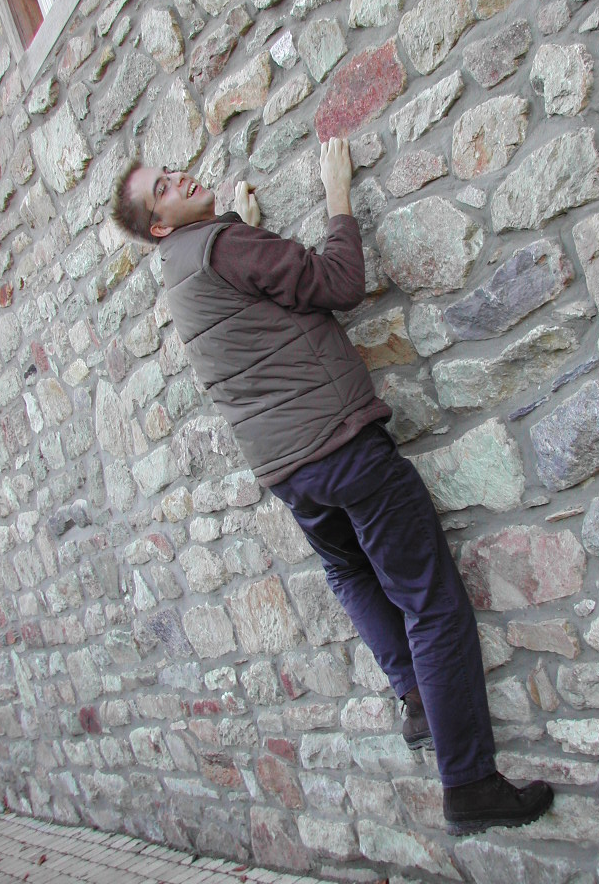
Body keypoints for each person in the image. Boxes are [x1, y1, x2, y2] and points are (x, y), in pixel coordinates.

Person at [111, 138, 554, 835]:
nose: (178, 176)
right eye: (163, 186)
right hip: (342, 447)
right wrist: (338, 194)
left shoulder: (180, 271)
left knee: (351, 574)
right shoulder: (222, 243)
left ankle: (413, 696)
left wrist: (243, 224)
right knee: (432, 603)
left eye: (170, 170)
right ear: (160, 222)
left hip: (289, 472)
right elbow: (338, 283)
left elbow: (252, 302)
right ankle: (470, 784)